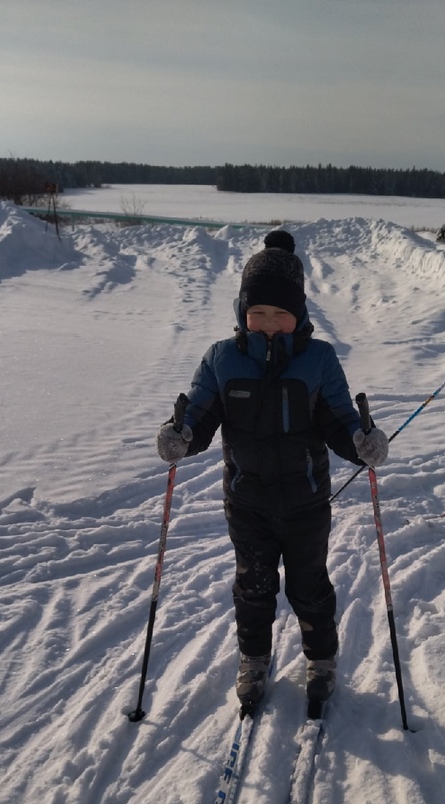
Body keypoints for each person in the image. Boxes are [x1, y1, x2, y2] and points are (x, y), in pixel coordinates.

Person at [156, 229, 388, 709]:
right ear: (242, 311)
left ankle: (321, 659)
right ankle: (254, 660)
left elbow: (339, 419)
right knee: (253, 586)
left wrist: (362, 443)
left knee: (309, 585)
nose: (267, 323)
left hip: (305, 501)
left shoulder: (318, 359)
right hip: (247, 501)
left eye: (279, 314)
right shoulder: (222, 359)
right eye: (257, 312)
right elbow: (199, 416)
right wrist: (180, 437)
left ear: (298, 315)